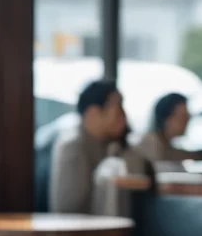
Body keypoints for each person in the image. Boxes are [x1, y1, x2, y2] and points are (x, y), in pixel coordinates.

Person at [49, 80, 147, 214]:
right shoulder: (72, 146)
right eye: (118, 107)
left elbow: (140, 172)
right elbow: (68, 210)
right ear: (93, 113)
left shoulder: (112, 144)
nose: (124, 115)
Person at [136, 92, 191, 166]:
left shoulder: (166, 145)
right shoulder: (150, 145)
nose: (187, 121)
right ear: (166, 119)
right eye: (182, 117)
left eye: (187, 116)